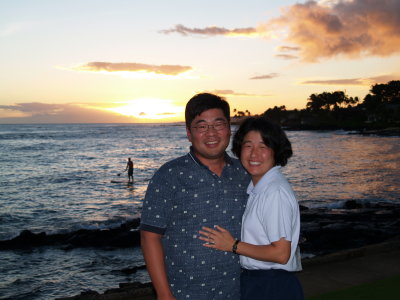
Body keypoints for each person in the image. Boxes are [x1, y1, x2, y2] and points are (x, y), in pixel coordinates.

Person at [139, 93, 250, 299]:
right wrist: (164, 295)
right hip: (184, 293)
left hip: (238, 291)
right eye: (201, 126)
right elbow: (150, 236)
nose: (211, 133)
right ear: (189, 133)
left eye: (219, 124)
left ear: (229, 129)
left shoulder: (244, 173)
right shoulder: (169, 175)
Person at [199, 117, 304, 300]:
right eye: (248, 146)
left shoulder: (274, 192)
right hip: (259, 282)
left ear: (275, 151)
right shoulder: (259, 188)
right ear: (239, 150)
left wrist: (232, 245)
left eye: (263, 147)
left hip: (272, 285)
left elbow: (281, 254)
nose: (254, 154)